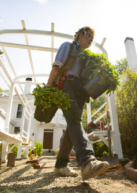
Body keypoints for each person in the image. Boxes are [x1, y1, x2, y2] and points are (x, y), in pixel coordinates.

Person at [46, 26, 110, 180]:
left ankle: (60, 166)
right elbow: (57, 66)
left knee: (71, 127)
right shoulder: (67, 46)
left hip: (81, 91)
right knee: (75, 118)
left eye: (92, 38)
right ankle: (87, 162)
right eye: (89, 36)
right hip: (67, 85)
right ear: (79, 35)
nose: (91, 40)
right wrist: (47, 89)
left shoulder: (87, 56)